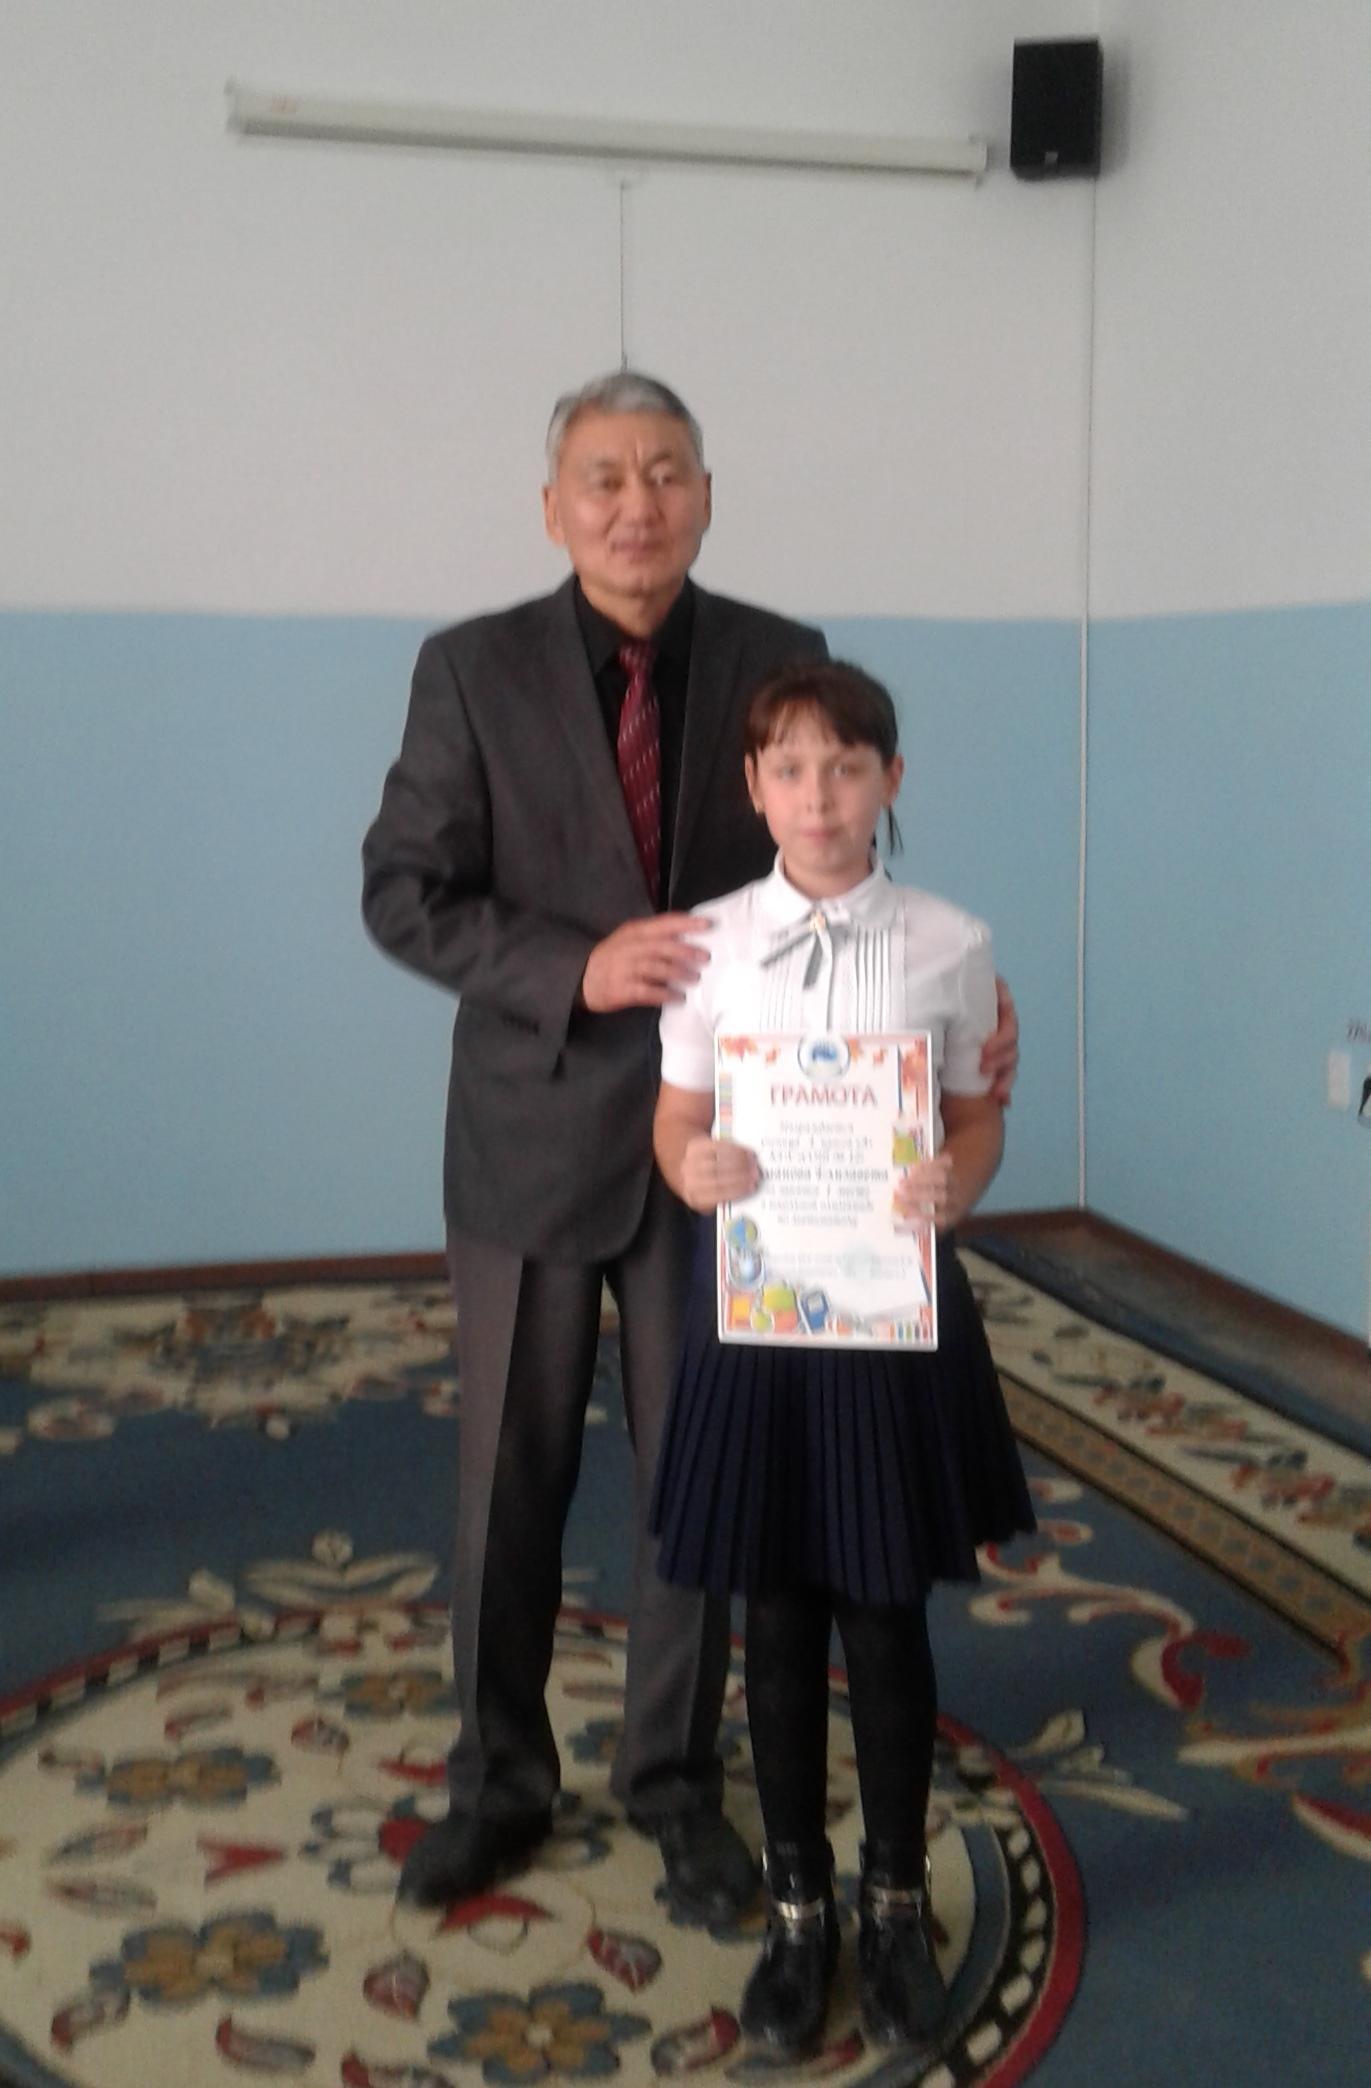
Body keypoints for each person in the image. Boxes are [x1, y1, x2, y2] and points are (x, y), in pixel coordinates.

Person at [361, 372, 1020, 1920]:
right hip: (531, 1133)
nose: (635, 504)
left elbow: (840, 880)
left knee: (700, 1483)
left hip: (737, 1160)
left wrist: (959, 1022)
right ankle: (497, 1782)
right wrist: (573, 968)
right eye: (603, 478)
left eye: (665, 473)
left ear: (707, 496)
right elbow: (403, 891)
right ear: (554, 509)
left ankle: (673, 1779)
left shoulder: (782, 656)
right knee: (507, 1483)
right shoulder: (470, 670)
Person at [650, 659, 1036, 2057]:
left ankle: (892, 1902)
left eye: (847, 766)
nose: (819, 797)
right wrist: (692, 1167)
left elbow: (978, 1117)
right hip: (758, 1323)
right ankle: (797, 1909)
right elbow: (677, 1117)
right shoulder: (708, 942)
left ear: (890, 781)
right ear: (754, 788)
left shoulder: (950, 941)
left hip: (888, 1324)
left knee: (883, 1614)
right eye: (792, 770)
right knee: (775, 1618)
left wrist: (957, 1180)